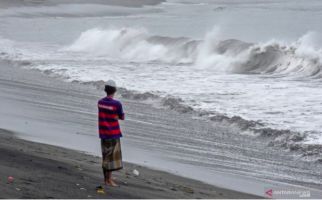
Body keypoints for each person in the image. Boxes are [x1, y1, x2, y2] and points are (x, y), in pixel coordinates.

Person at [97, 80, 124, 187]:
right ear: (115, 90)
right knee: (111, 158)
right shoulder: (117, 104)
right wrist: (116, 116)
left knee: (105, 156)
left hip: (103, 132)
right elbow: (121, 116)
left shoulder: (100, 102)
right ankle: (109, 180)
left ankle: (106, 179)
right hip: (113, 133)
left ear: (105, 90)